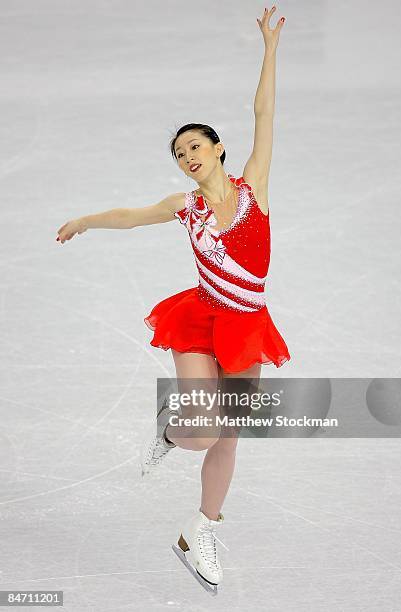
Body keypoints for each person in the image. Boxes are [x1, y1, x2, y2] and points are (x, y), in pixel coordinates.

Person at [56, 6, 288, 595]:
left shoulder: (253, 184)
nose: (187, 157)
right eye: (179, 153)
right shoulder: (183, 207)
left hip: (247, 325)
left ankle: (202, 529)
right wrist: (86, 219)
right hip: (199, 319)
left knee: (229, 431)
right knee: (199, 433)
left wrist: (270, 49)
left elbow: (265, 113)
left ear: (218, 149)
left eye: (194, 146)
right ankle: (171, 431)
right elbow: (132, 217)